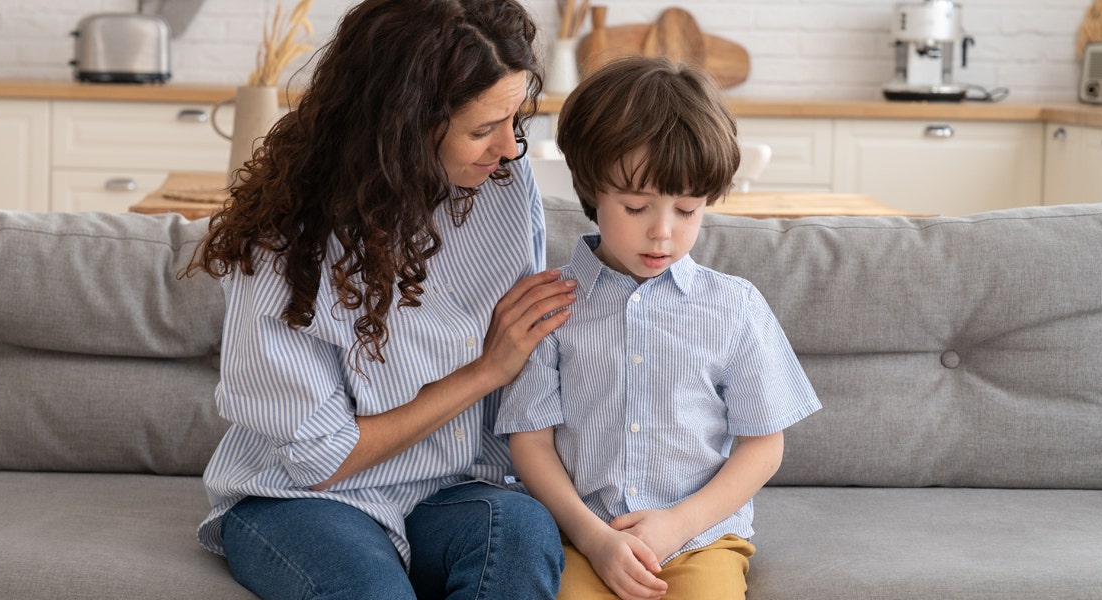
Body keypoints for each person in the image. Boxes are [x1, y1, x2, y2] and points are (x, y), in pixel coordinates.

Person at [184, 1, 576, 598]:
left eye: (515, 118)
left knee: (520, 532)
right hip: (303, 499)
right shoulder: (287, 242)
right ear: (402, 125)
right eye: (481, 130)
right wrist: (485, 372)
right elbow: (319, 459)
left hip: (450, 491)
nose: (511, 148)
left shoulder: (502, 182)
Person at [496, 56, 822, 600]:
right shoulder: (551, 306)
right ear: (590, 189)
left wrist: (677, 525)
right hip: (585, 538)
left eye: (688, 210)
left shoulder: (733, 307)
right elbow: (530, 443)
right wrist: (592, 537)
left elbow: (763, 447)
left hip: (699, 540)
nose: (662, 233)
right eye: (635, 206)